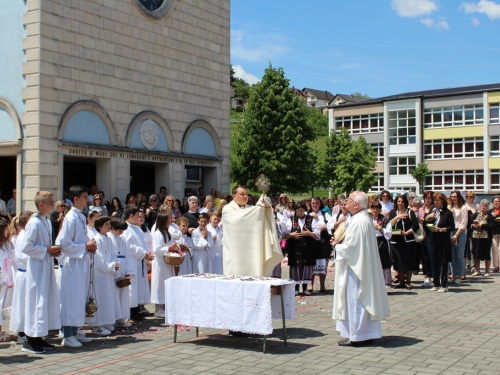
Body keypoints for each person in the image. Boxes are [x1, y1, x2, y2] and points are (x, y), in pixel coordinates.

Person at [331, 191, 390, 347]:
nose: (346, 201)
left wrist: (337, 246)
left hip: (356, 269)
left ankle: (357, 336)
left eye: (349, 200)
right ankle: (366, 333)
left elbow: (352, 247)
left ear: (356, 204)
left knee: (355, 300)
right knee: (360, 301)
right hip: (360, 265)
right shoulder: (362, 218)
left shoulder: (359, 221)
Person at [56, 185, 96, 347]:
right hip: (72, 264)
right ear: (76, 199)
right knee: (71, 299)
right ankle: (68, 334)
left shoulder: (79, 216)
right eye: (85, 196)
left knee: (79, 297)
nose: (88, 199)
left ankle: (76, 328)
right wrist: (85, 246)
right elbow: (64, 244)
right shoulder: (71, 218)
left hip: (80, 263)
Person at [22, 192, 61, 353]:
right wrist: (46, 250)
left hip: (45, 264)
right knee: (37, 301)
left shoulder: (45, 221)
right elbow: (27, 246)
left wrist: (51, 251)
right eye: (50, 203)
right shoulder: (34, 223)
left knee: (45, 301)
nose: (53, 206)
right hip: (37, 268)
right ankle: (31, 340)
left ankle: (40, 337)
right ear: (41, 205)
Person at [222, 185, 283, 277]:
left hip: (251, 249)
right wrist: (258, 209)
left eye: (246, 194)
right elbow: (238, 220)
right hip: (235, 251)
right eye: (242, 194)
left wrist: (265, 207)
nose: (245, 196)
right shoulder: (227, 209)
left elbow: (258, 218)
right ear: (234, 196)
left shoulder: (251, 208)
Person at [123, 205, 154, 321]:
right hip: (132, 261)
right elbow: (129, 246)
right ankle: (129, 313)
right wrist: (143, 253)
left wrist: (147, 253)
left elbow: (143, 242)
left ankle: (137, 311)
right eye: (137, 216)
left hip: (139, 260)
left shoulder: (136, 228)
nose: (139, 218)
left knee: (138, 287)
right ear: (131, 216)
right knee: (132, 288)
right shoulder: (125, 228)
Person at [90, 216, 120, 336]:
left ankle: (106, 321)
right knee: (101, 298)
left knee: (108, 298)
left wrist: (114, 264)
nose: (109, 226)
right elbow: (98, 259)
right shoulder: (97, 239)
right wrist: (110, 266)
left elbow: (113, 254)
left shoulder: (108, 238)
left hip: (108, 274)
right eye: (106, 224)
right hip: (100, 274)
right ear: (99, 226)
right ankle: (97, 325)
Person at [9, 211, 33, 345]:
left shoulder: (26, 235)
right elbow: (23, 256)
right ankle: (21, 332)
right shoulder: (23, 235)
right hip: (24, 273)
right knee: (22, 304)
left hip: (26, 273)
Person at [282, 202, 316, 295]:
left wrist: (309, 233)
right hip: (294, 247)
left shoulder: (311, 219)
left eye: (301, 210)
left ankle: (305, 288)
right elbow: (285, 233)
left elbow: (317, 233)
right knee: (295, 267)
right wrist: (292, 235)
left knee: (306, 267)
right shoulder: (291, 220)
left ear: (305, 210)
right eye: (298, 210)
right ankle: (296, 288)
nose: (300, 212)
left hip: (307, 247)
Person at [424, 192, 455, 292]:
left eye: (438, 200)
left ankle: (444, 285)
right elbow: (425, 225)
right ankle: (435, 284)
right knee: (433, 261)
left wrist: (441, 229)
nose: (435, 202)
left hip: (443, 240)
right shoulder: (432, 212)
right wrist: (428, 219)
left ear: (442, 201)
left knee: (443, 262)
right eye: (434, 200)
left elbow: (452, 227)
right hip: (432, 240)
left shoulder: (447, 212)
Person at [107, 218, 133, 328]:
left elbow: (128, 255)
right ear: (113, 228)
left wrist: (129, 271)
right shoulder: (108, 238)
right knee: (114, 294)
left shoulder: (122, 239)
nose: (121, 233)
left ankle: (122, 317)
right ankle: (113, 318)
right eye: (120, 230)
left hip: (123, 266)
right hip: (115, 266)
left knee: (123, 295)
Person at [389, 194, 419, 290]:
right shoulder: (393, 213)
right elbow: (390, 226)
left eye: (402, 201)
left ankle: (408, 282)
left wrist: (408, 232)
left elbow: (415, 225)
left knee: (408, 261)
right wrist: (398, 218)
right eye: (398, 201)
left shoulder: (410, 212)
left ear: (405, 202)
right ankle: (401, 282)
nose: (400, 203)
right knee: (399, 262)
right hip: (397, 241)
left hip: (408, 240)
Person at [151, 210, 177, 318]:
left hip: (166, 262)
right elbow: (157, 250)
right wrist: (169, 248)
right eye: (168, 220)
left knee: (166, 283)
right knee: (159, 283)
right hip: (160, 262)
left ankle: (165, 306)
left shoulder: (166, 232)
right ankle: (158, 308)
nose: (169, 222)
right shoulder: (157, 234)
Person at [309, 196, 332, 293]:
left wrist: (318, 219)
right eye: (313, 203)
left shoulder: (325, 214)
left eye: (316, 203)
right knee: (311, 264)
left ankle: (322, 285)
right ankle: (310, 284)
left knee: (322, 263)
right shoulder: (308, 214)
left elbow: (330, 226)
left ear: (320, 204)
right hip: (311, 242)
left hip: (323, 241)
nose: (315, 205)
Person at [370, 200, 393, 289]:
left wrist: (380, 228)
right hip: (371, 241)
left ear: (380, 209)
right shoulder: (368, 218)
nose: (374, 211)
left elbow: (389, 233)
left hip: (381, 241)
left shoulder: (385, 219)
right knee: (372, 262)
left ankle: (385, 283)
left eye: (376, 208)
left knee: (383, 261)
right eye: (373, 208)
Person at [471, 199, 495, 278]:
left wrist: (482, 226)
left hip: (486, 238)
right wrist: (473, 226)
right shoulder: (475, 215)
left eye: (485, 206)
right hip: (476, 236)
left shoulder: (490, 216)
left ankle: (487, 271)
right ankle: (477, 270)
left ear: (488, 207)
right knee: (475, 253)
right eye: (482, 205)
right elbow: (470, 224)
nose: (483, 207)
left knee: (486, 254)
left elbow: (492, 226)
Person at [0, 217, 15, 343]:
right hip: (2, 280)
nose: (8, 230)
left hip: (5, 281)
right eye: (6, 228)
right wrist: (5, 277)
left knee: (2, 306)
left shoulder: (5, 245)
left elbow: (13, 257)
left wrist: (10, 242)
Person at [449, 191, 467, 283]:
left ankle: (460, 276)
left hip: (460, 232)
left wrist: (456, 235)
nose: (453, 198)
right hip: (451, 231)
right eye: (452, 196)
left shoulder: (463, 208)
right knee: (452, 256)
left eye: (455, 196)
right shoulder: (450, 208)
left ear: (459, 197)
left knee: (459, 255)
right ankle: (453, 275)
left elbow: (463, 223)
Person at [419, 191, 435, 287]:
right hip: (424, 235)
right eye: (426, 198)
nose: (427, 200)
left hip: (433, 235)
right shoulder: (421, 209)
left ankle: (435, 277)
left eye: (429, 198)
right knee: (425, 257)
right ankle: (428, 277)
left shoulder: (435, 209)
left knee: (433, 256)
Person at [464, 191, 480, 273]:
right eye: (467, 196)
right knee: (465, 247)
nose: (469, 198)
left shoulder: (476, 206)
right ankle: (466, 264)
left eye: (471, 196)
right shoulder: (464, 206)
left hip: (474, 228)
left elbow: (479, 217)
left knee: (473, 247)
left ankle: (474, 266)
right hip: (465, 227)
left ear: (473, 197)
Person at [207, 210, 223, 274]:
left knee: (219, 270)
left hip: (219, 253)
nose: (216, 221)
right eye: (215, 219)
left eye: (218, 220)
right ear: (211, 217)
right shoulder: (206, 228)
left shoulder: (221, 230)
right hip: (209, 253)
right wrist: (211, 239)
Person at [488, 195, 500, 273]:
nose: (496, 203)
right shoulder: (490, 211)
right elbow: (487, 221)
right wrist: (492, 217)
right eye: (495, 201)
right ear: (492, 202)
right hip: (493, 232)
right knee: (495, 249)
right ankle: (496, 266)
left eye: (498, 201)